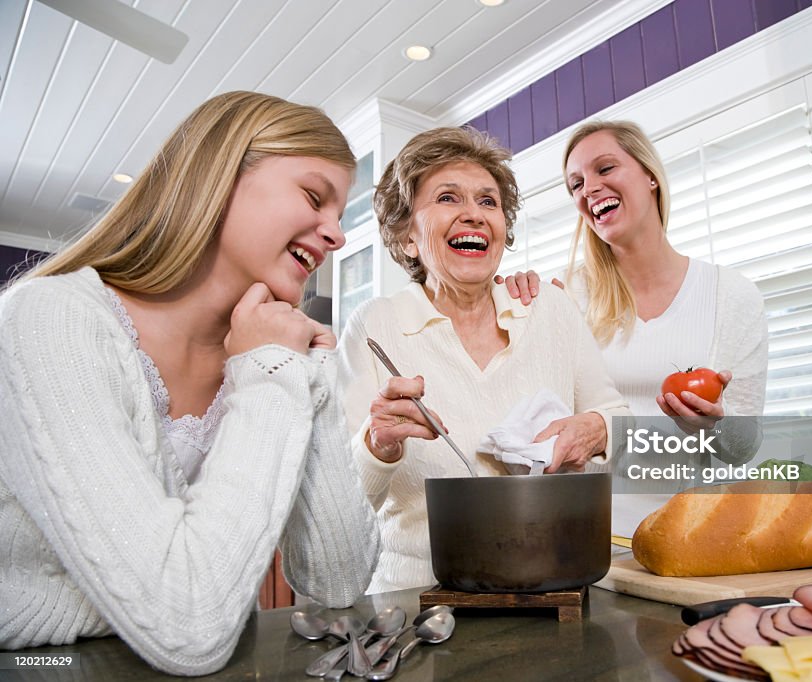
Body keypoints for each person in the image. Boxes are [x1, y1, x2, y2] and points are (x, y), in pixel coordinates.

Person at [0, 91, 379, 676]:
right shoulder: (53, 321)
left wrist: (304, 375)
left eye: (340, 216)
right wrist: (168, 590)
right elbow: (192, 623)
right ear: (221, 175)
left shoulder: (263, 362)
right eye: (313, 197)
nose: (337, 236)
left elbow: (338, 580)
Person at [337, 126, 631, 593]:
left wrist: (596, 428)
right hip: (416, 602)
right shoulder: (375, 327)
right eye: (448, 198)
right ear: (407, 236)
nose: (473, 214)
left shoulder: (549, 310)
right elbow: (342, 510)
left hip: (550, 588)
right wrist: (378, 445)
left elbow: (619, 421)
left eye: (488, 202)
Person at [503, 121, 768, 533]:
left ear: (649, 176)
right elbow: (535, 411)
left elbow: (743, 445)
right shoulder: (565, 293)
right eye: (575, 184)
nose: (588, 189)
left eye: (604, 169)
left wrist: (715, 425)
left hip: (690, 532)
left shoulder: (731, 295)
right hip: (583, 532)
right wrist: (513, 304)